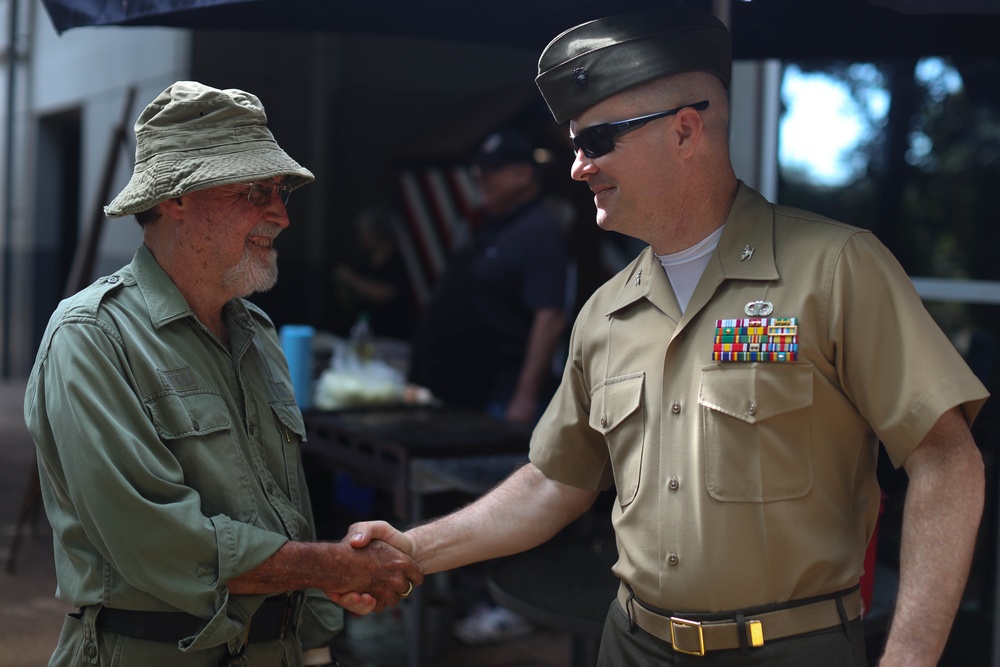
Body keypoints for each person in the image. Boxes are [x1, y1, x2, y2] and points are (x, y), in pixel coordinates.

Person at [335, 8, 989, 667]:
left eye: (597, 141)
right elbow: (554, 482)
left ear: (684, 130)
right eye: (574, 146)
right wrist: (415, 550)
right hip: (631, 645)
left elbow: (946, 460)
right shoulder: (605, 312)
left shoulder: (836, 267)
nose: (577, 168)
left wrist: (909, 656)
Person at [23, 81, 423, 667]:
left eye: (281, 192)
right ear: (176, 198)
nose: (282, 216)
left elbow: (285, 507)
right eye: (255, 191)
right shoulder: (91, 336)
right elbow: (157, 543)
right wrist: (332, 565)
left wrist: (312, 642)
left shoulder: (255, 331)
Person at [409, 129, 572, 424]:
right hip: (465, 389)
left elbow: (549, 318)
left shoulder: (540, 232)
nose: (479, 177)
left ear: (524, 174)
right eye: (478, 169)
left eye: (491, 170)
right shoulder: (494, 222)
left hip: (501, 398)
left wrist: (524, 398)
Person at [332, 205, 419, 341]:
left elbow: (384, 293)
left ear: (378, 233)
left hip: (391, 337)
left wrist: (351, 279)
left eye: (366, 233)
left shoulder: (397, 262)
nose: (362, 238)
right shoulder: (365, 262)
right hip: (364, 336)